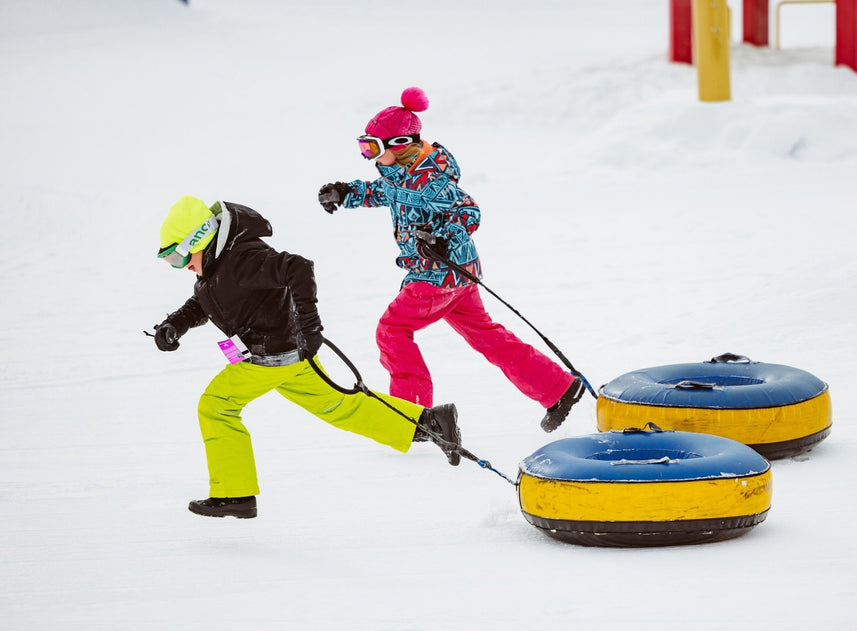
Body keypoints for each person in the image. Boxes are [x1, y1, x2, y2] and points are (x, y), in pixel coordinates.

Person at [152, 195, 464, 519]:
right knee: (341, 407)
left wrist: (310, 325)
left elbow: (298, 268)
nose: (182, 265)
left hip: (269, 357)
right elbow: (204, 302)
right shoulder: (217, 269)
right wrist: (175, 324)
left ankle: (235, 493)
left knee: (216, 406)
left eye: (178, 257)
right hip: (288, 358)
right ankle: (430, 423)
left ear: (200, 239)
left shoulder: (243, 258)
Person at [317, 87, 584, 433]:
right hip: (460, 275)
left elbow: (468, 211)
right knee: (486, 336)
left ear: (399, 146)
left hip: (438, 274)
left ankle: (411, 417)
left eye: (372, 148)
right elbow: (380, 192)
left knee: (393, 330)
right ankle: (557, 387)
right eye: (363, 147)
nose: (368, 156)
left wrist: (444, 239)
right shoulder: (400, 176)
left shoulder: (428, 181)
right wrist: (346, 192)